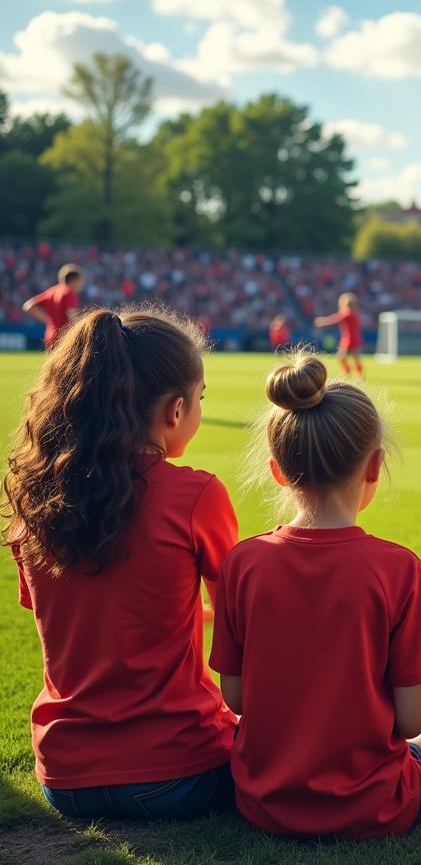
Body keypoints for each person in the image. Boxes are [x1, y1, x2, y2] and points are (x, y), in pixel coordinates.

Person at [210, 353, 421, 838]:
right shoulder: (400, 569)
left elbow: (234, 696)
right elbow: (411, 722)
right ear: (375, 466)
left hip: (263, 802)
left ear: (278, 470)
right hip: (374, 807)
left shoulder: (243, 562)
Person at [3, 309, 238, 820]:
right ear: (175, 411)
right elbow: (239, 625)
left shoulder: (37, 494)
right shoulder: (195, 495)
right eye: (200, 400)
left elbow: (86, 612)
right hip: (177, 771)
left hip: (63, 778)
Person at [23, 262, 85, 349]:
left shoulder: (52, 291)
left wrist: (48, 321)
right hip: (64, 338)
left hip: (50, 336)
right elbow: (71, 316)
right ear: (74, 280)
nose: (82, 284)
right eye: (81, 281)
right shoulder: (69, 292)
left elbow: (28, 306)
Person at [314, 292, 364, 378]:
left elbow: (335, 319)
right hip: (356, 338)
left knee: (341, 356)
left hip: (348, 338)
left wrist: (322, 321)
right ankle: (359, 374)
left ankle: (348, 371)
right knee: (355, 358)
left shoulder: (347, 313)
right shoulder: (355, 313)